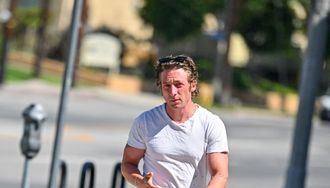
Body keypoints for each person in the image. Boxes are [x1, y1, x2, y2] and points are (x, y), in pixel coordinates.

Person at [121, 54, 229, 188]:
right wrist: (141, 183)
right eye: (167, 86)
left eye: (178, 85)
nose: (173, 92)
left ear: (193, 85)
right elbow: (128, 164)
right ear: (160, 87)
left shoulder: (210, 123)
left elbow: (220, 175)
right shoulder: (145, 121)